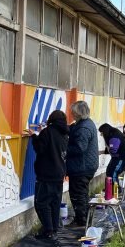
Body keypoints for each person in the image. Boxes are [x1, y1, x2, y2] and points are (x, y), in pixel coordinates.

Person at [28, 109, 69, 239]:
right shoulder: (64, 133)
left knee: (41, 203)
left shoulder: (48, 132)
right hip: (59, 174)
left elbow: (40, 148)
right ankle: (54, 228)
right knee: (54, 202)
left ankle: (48, 231)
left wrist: (34, 136)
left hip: (47, 174)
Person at [66, 101, 99, 227]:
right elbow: (72, 129)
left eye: (73, 112)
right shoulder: (85, 123)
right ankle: (84, 219)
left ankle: (81, 221)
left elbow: (79, 148)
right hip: (86, 166)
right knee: (82, 193)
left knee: (78, 194)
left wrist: (63, 149)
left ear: (79, 113)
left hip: (82, 167)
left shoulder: (84, 128)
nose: (71, 114)